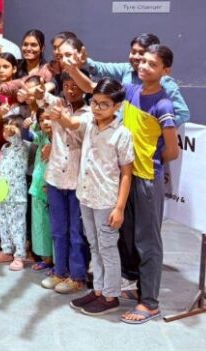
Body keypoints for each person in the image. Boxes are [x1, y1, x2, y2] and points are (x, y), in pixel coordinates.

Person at [65, 45, 180, 324]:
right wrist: (72, 68)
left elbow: (172, 151)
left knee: (147, 242)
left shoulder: (164, 105)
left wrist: (151, 162)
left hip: (145, 179)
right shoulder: (130, 91)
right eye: (143, 61)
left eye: (152, 64)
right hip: (121, 178)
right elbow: (92, 88)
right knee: (125, 238)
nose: (144, 67)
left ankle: (150, 303)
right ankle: (123, 288)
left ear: (165, 71)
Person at [50, 78, 134, 316]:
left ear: (117, 106)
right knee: (94, 246)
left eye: (104, 104)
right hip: (86, 196)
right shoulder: (89, 121)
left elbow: (126, 174)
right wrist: (59, 115)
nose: (97, 108)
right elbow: (71, 122)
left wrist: (119, 208)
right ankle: (98, 290)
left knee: (107, 247)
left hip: (107, 201)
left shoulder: (122, 134)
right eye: (95, 102)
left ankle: (111, 295)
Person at [37, 38, 91, 294]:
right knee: (58, 230)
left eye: (75, 86)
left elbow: (75, 128)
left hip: (79, 181)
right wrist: (36, 92)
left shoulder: (90, 113)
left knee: (76, 232)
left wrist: (64, 119)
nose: (70, 90)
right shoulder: (57, 103)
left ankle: (77, 276)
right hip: (56, 178)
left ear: (85, 88)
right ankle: (59, 271)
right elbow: (40, 97)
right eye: (67, 86)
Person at [83, 33, 190, 127]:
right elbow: (98, 71)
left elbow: (183, 114)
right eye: (133, 52)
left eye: (141, 54)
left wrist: (155, 129)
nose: (136, 57)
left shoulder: (165, 83)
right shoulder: (128, 75)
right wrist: (81, 61)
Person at [0, 115, 31, 270]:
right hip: (2, 192)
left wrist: (16, 133)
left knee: (17, 225)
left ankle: (19, 255)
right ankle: (6, 250)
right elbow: (0, 164)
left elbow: (18, 140)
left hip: (17, 194)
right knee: (3, 222)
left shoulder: (23, 146)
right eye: (6, 126)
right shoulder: (4, 148)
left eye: (12, 127)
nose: (8, 130)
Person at [27, 108, 54, 272]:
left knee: (54, 227)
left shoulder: (63, 139)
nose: (45, 122)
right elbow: (28, 136)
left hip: (54, 190)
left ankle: (58, 263)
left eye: (48, 118)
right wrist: (26, 126)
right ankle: (47, 258)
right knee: (40, 226)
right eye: (41, 119)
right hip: (37, 188)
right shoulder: (41, 137)